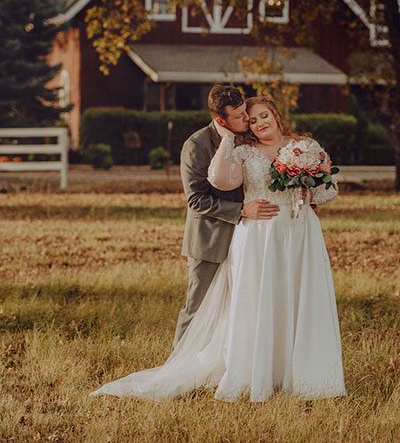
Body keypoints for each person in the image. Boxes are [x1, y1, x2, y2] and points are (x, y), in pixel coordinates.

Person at [91, 95, 344, 402]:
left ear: (276, 115)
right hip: (259, 238)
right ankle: (257, 372)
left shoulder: (306, 147)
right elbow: (220, 182)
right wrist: (226, 142)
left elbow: (328, 192)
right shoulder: (244, 151)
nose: (260, 123)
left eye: (264, 115)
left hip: (300, 233)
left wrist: (309, 179)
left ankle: (304, 374)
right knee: (258, 301)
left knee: (300, 298)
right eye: (252, 120)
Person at [173, 85, 280, 348]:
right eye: (240, 116)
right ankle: (178, 363)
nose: (247, 119)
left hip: (248, 239)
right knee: (197, 307)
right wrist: (241, 211)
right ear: (221, 120)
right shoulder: (196, 145)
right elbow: (196, 200)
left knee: (239, 309)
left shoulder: (247, 137)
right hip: (210, 241)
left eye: (246, 112)